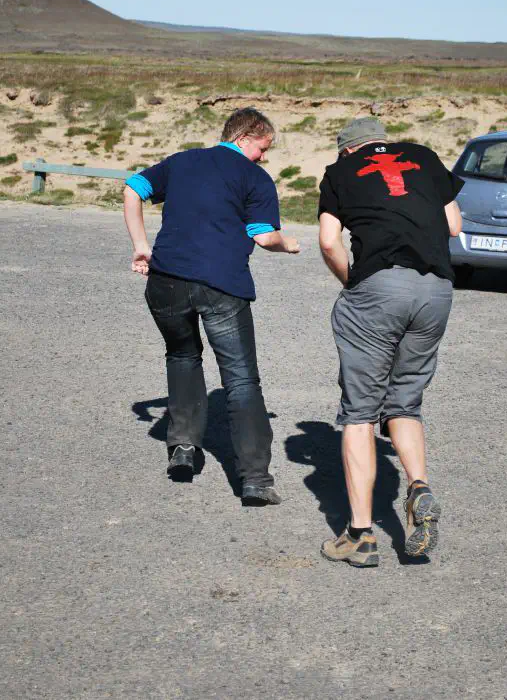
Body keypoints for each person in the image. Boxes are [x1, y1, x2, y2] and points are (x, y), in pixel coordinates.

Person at [123, 107, 300, 504]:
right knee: (241, 379)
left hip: (166, 282)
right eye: (263, 147)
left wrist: (140, 246)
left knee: (182, 356)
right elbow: (263, 236)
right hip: (222, 286)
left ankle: (183, 447)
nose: (264, 157)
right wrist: (287, 243)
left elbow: (133, 188)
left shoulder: (183, 161)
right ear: (244, 137)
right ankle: (255, 479)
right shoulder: (254, 177)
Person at [317, 117, 463, 566]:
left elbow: (328, 241)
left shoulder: (339, 171)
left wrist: (352, 282)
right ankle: (418, 486)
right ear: (381, 139)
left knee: (360, 412)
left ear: (348, 149)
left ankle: (361, 537)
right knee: (405, 401)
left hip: (379, 286)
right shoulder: (423, 156)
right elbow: (454, 225)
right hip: (436, 290)